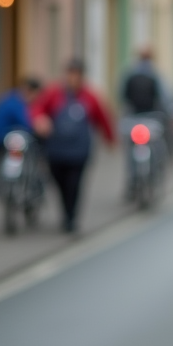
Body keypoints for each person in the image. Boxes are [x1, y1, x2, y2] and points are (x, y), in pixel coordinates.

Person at [31, 58, 115, 233]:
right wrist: (40, 120)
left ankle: (71, 217)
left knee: (74, 185)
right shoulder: (54, 93)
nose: (73, 77)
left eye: (76, 74)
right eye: (70, 73)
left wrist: (110, 139)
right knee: (59, 183)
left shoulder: (90, 96)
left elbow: (103, 118)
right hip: (56, 149)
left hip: (79, 151)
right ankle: (66, 211)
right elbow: (37, 109)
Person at [0, 77, 41, 150]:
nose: (36, 100)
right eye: (36, 95)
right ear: (29, 91)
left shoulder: (10, 96)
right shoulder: (17, 101)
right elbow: (27, 124)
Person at [121, 47, 166, 116]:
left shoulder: (130, 72)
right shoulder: (154, 74)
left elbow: (122, 94)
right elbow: (163, 96)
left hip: (133, 114)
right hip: (151, 114)